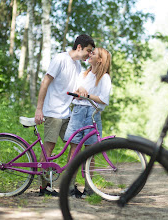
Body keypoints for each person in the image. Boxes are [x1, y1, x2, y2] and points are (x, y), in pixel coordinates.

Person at [34, 34, 95, 196]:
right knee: (49, 146)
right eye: (88, 51)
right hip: (52, 112)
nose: (89, 54)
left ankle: (68, 185)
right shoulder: (60, 59)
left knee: (75, 144)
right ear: (79, 47)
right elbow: (45, 82)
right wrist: (39, 109)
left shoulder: (77, 67)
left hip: (66, 113)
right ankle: (44, 186)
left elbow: (73, 90)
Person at [64, 48, 112, 198]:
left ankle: (89, 188)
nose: (89, 54)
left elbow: (104, 99)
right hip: (78, 113)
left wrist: (87, 95)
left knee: (90, 154)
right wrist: (80, 89)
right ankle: (69, 187)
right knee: (73, 151)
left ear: (100, 60)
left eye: (93, 53)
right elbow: (76, 91)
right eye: (90, 52)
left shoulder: (104, 78)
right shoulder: (83, 74)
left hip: (93, 115)